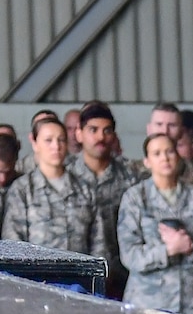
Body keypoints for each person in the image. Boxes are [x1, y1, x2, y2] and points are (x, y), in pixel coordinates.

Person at [118, 133, 193, 314]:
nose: (165, 158)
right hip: (150, 301)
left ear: (177, 156)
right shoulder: (135, 198)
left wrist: (189, 248)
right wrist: (168, 250)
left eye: (169, 151)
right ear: (147, 161)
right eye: (157, 153)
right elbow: (130, 255)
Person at [0, 118, 104, 258]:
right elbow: (13, 243)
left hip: (80, 276)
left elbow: (99, 241)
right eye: (48, 140)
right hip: (35, 277)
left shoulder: (84, 188)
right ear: (35, 144)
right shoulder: (22, 189)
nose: (56, 146)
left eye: (61, 140)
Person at [70, 101, 135, 293]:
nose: (101, 137)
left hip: (120, 278)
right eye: (93, 130)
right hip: (76, 278)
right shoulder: (66, 177)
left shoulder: (130, 176)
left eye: (107, 131)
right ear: (79, 133)